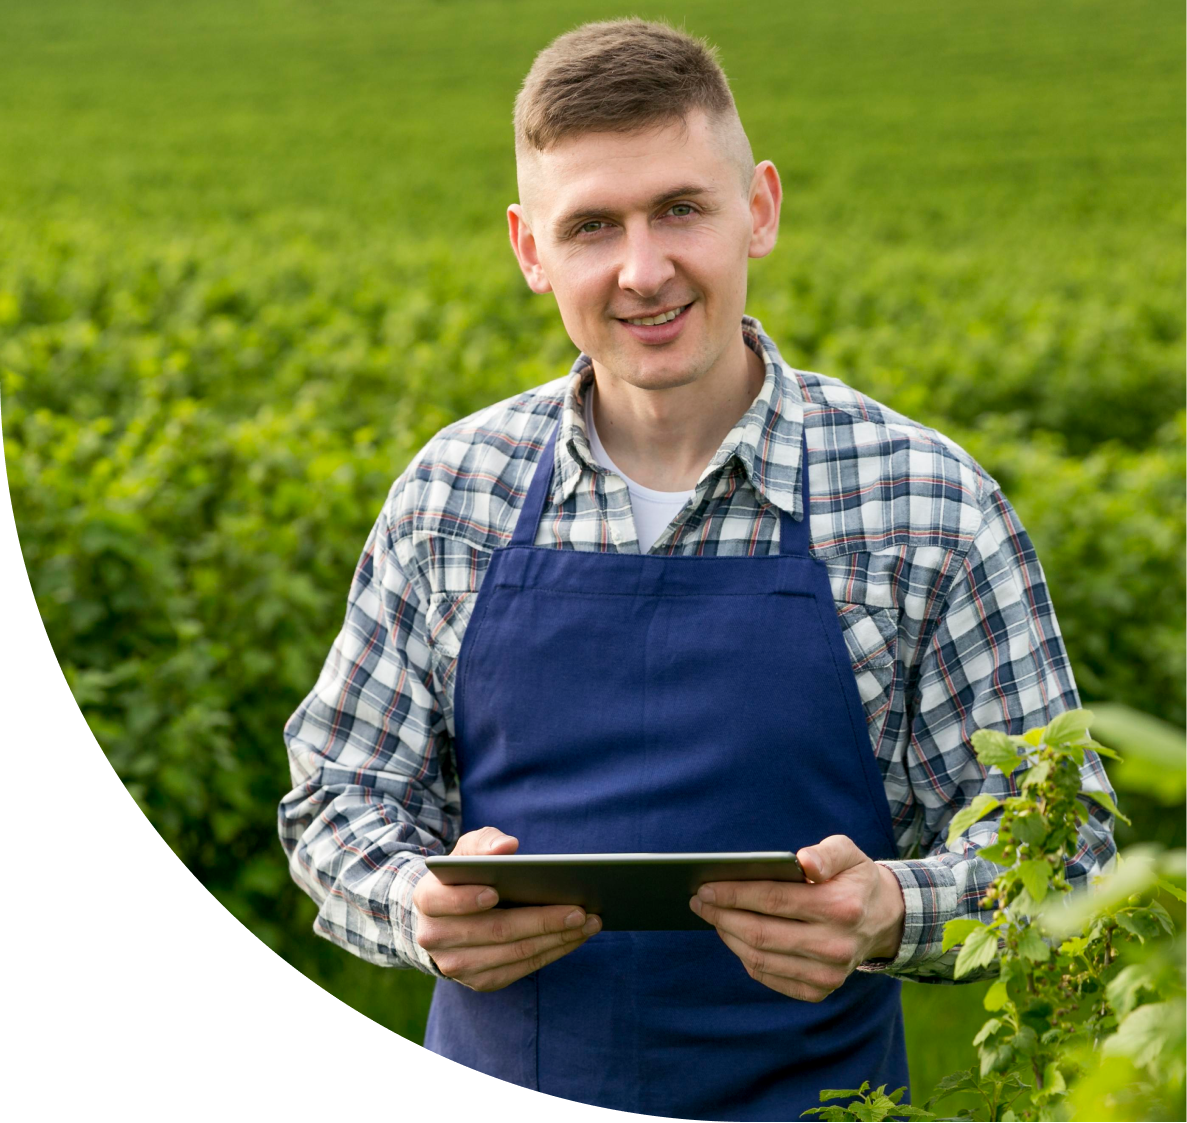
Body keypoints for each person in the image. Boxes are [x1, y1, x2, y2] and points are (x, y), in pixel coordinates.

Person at [278, 17, 1116, 1120]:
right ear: (530, 250)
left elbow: (1058, 844)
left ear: (757, 209)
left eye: (680, 208)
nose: (642, 269)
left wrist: (889, 910)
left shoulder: (924, 501)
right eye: (590, 227)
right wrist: (408, 905)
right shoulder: (453, 496)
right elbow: (339, 796)